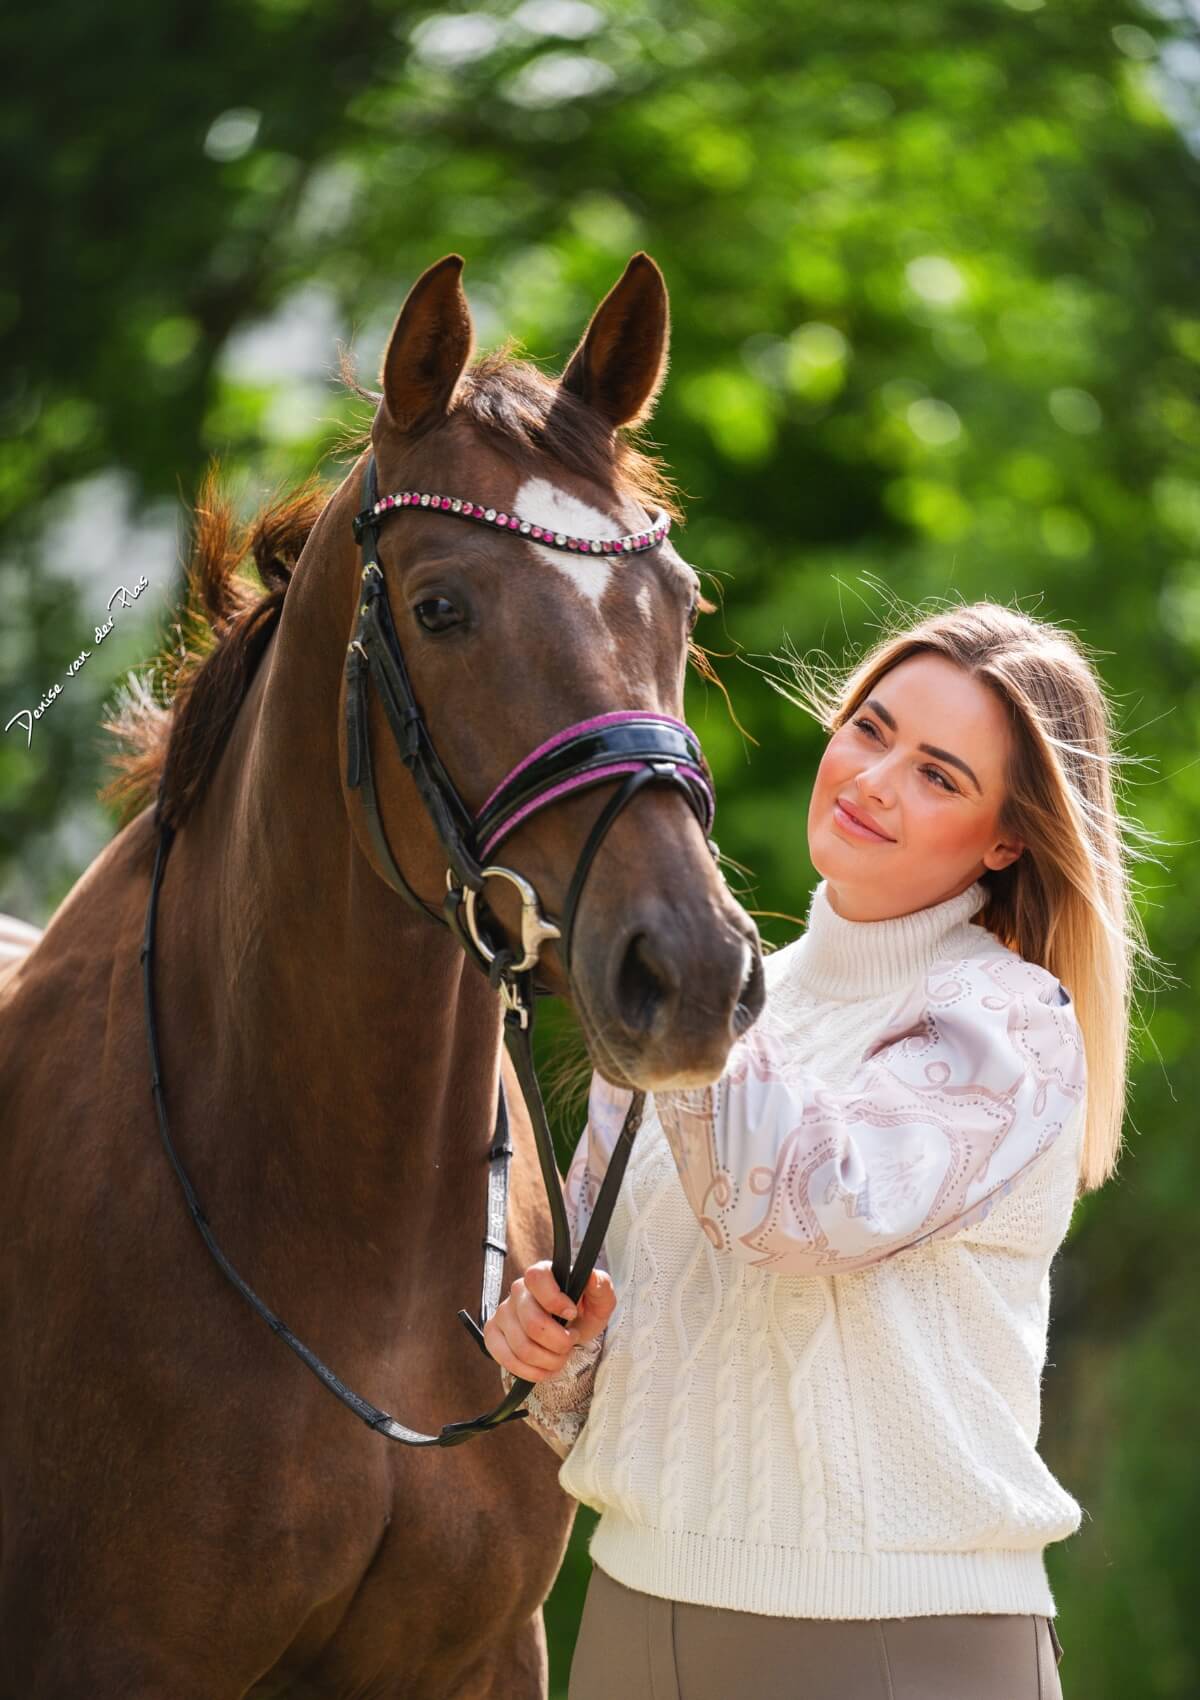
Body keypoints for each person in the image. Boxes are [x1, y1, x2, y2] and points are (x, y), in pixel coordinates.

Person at [485, 600, 1148, 1700]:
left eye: (940, 774)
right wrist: (555, 1343)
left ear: (1007, 837)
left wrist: (692, 959)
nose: (876, 777)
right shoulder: (715, 1000)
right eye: (871, 728)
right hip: (634, 1616)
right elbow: (611, 1381)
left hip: (895, 1640)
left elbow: (799, 1212)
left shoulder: (1007, 1019)